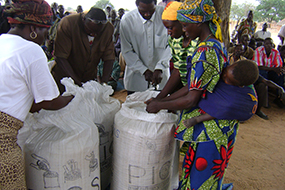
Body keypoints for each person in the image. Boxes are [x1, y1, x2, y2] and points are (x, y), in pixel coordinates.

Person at [145, 0, 244, 189]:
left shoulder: (207, 51)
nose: (183, 30)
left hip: (213, 129)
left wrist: (160, 105)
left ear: (199, 22)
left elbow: (191, 98)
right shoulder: (210, 45)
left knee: (203, 180)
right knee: (192, 176)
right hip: (206, 127)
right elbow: (191, 87)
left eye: (185, 25)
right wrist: (161, 99)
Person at [0, 0, 73, 189]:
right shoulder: (31, 50)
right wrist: (74, 96)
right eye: (44, 31)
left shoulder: (2, 42)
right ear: (33, 28)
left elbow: (26, 101)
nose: (46, 38)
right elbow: (50, 101)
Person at [52, 7, 115, 93]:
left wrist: (104, 84)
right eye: (90, 31)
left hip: (88, 79)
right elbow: (60, 57)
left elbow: (109, 58)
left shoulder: (108, 29)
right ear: (83, 20)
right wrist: (77, 83)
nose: (93, 35)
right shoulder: (68, 23)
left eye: (97, 33)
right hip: (64, 80)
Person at [183, 60, 259, 128]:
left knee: (222, 108)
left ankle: (197, 119)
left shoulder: (234, 100)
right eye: (226, 71)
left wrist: (197, 119)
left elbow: (223, 109)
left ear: (238, 86)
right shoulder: (230, 69)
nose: (224, 75)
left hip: (230, 111)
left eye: (227, 79)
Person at [120, 0, 171, 94]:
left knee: (161, 107)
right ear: (137, 5)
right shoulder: (127, 21)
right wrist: (143, 70)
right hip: (136, 81)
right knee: (134, 107)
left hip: (162, 80)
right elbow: (127, 51)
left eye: (151, 11)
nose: (147, 14)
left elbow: (171, 46)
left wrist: (160, 67)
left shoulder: (166, 16)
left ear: (155, 4)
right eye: (143, 11)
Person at [155, 1, 196, 99]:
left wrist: (165, 101)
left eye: (170, 28)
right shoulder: (174, 41)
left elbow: (196, 83)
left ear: (182, 23)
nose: (169, 32)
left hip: (197, 91)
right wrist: (160, 97)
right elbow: (177, 71)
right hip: (186, 89)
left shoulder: (197, 42)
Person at [253, 37, 285, 107]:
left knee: (280, 74)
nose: (269, 45)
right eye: (267, 44)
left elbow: (278, 66)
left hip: (270, 71)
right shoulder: (259, 50)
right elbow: (259, 66)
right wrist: (273, 69)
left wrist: (276, 70)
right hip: (260, 72)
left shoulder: (275, 52)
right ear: (263, 44)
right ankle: (264, 100)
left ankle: (279, 98)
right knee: (263, 73)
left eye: (271, 44)